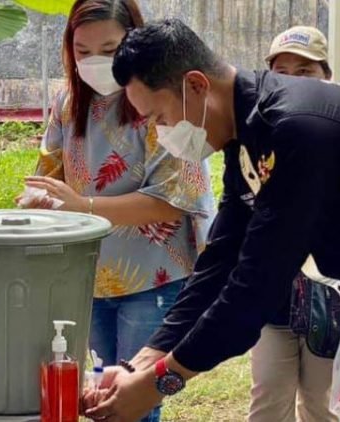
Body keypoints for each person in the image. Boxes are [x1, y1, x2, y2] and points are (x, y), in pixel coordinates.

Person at [84, 19, 340, 422]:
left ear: (196, 85)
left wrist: (160, 383)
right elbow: (222, 258)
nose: (161, 132)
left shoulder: (296, 128)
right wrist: (143, 362)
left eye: (160, 116)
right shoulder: (246, 134)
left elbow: (257, 285)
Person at [18, 5, 215, 422]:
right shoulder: (68, 103)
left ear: (133, 41)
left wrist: (83, 206)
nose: (95, 63)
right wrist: (37, 200)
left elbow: (174, 197)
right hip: (86, 274)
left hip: (153, 276)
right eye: (82, 51)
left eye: (109, 50)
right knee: (98, 393)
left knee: (135, 400)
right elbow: (48, 175)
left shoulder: (160, 100)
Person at [243, 26, 340, 422]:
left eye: (305, 72)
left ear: (327, 76)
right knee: (268, 402)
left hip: (330, 301)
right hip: (273, 298)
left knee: (324, 406)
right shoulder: (258, 135)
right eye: (281, 72)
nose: (292, 82)